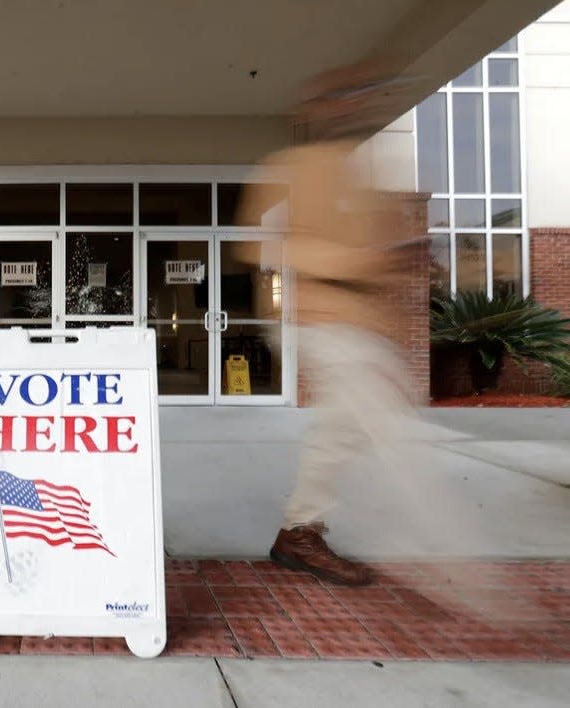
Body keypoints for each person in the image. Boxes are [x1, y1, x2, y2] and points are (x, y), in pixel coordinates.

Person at [240, 60, 425, 586]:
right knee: (349, 425)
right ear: (315, 108)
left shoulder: (360, 171)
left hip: (363, 327)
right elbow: (262, 241)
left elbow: (380, 255)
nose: (353, 105)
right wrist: (358, 262)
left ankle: (304, 529)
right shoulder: (290, 166)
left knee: (361, 427)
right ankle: (301, 531)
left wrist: (388, 266)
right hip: (321, 321)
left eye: (361, 96)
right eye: (341, 96)